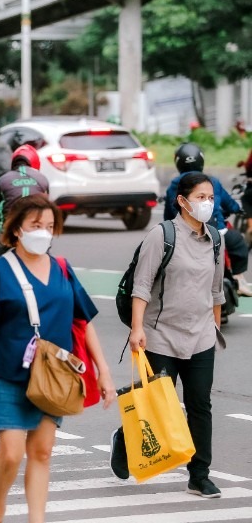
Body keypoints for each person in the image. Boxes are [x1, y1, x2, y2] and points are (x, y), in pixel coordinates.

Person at [0, 194, 116, 523]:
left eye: (48, 226)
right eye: (35, 225)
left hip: (53, 377)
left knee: (42, 452)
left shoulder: (61, 269)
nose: (43, 232)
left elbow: (83, 323)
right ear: (16, 229)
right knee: (12, 453)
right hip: (8, 376)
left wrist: (104, 372)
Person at [111, 172, 225, 499]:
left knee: (200, 405)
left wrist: (214, 330)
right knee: (161, 408)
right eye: (201, 197)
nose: (207, 203)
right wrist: (137, 329)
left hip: (201, 336)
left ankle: (199, 475)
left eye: (210, 197)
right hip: (160, 336)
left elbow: (216, 292)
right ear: (182, 200)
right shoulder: (162, 236)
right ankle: (125, 438)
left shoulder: (215, 239)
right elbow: (142, 286)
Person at [163, 143, 251, 297]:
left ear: (178, 162)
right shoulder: (212, 181)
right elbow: (228, 202)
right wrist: (237, 209)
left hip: (183, 234)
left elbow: (169, 213)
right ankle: (238, 279)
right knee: (239, 244)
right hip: (217, 231)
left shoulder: (174, 185)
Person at [0, 145, 50, 264]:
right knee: (50, 262)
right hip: (37, 230)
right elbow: (47, 208)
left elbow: (1, 205)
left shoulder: (3, 180)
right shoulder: (43, 179)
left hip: (11, 231)